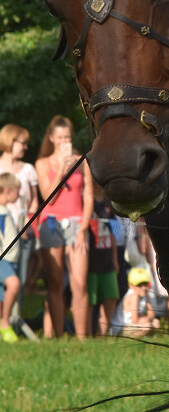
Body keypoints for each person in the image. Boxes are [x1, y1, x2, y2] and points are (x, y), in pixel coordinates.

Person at [35, 115, 93, 339]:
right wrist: (60, 167)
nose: (63, 141)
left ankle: (81, 337)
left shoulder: (82, 161)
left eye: (67, 137)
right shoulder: (42, 163)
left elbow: (88, 196)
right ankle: (58, 335)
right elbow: (48, 198)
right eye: (59, 137)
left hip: (77, 223)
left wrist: (83, 228)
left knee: (79, 283)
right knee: (55, 281)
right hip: (51, 223)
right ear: (51, 138)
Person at [0, 124, 39, 318]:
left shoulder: (28, 170)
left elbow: (34, 204)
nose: (25, 148)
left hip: (23, 234)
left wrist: (27, 227)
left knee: (20, 280)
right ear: (10, 141)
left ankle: (14, 322)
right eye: (22, 143)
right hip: (2, 235)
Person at [87, 181, 120, 336]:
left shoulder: (108, 204)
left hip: (107, 257)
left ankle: (102, 334)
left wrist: (115, 259)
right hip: (90, 259)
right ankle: (86, 334)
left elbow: (113, 234)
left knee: (111, 296)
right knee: (90, 299)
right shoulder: (86, 200)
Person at [0, 173, 21, 342]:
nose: (19, 195)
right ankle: (5, 323)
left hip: (10, 260)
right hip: (3, 260)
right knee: (13, 284)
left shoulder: (5, 211)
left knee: (1, 296)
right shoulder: (1, 212)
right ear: (8, 191)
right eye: (17, 191)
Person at [109, 266, 159, 337]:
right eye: (139, 285)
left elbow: (152, 314)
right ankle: (128, 339)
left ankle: (143, 339)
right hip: (120, 328)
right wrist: (148, 320)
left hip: (132, 325)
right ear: (131, 286)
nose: (143, 288)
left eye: (145, 284)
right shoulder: (133, 296)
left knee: (155, 323)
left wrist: (149, 320)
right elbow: (135, 320)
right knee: (148, 325)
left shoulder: (145, 295)